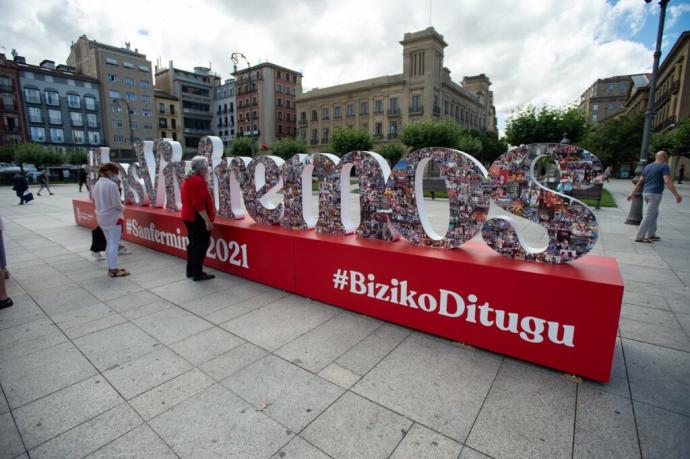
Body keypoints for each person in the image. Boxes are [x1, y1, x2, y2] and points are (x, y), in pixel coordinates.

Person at [627, 151, 683, 243]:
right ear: (665, 157)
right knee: (649, 215)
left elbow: (640, 182)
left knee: (654, 213)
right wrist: (676, 194)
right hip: (655, 194)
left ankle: (651, 234)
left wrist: (632, 193)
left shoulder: (648, 167)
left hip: (646, 193)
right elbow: (667, 181)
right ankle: (639, 236)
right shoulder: (664, 166)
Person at [181, 156, 215, 281]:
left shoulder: (189, 178)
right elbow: (198, 204)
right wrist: (207, 221)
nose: (207, 169)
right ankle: (197, 272)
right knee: (200, 245)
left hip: (189, 216)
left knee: (193, 245)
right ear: (202, 168)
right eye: (206, 167)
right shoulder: (197, 180)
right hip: (196, 218)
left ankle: (191, 270)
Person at [93, 163, 129, 277]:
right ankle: (113, 269)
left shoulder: (98, 184)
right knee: (113, 244)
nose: (116, 176)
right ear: (110, 172)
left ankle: (111, 267)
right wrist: (123, 208)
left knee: (110, 244)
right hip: (113, 218)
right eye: (115, 173)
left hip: (102, 217)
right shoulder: (112, 185)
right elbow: (116, 204)